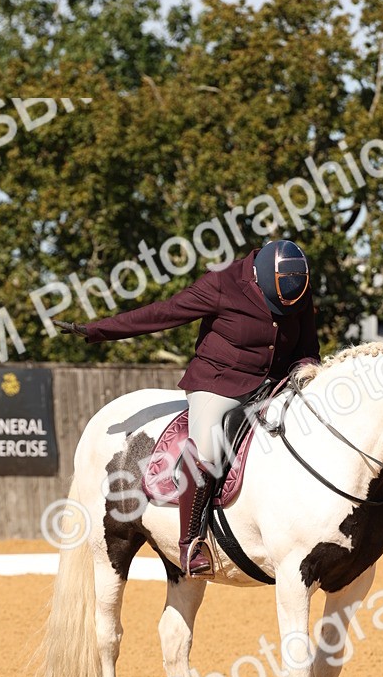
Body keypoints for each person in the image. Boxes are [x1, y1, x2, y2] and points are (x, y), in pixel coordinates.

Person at [56, 239, 321, 576]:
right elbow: (162, 313)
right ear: (259, 276)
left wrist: (306, 374)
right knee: (207, 452)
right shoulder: (222, 283)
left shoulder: (297, 288)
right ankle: (191, 542)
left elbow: (309, 348)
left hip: (276, 388)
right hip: (220, 384)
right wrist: (97, 330)